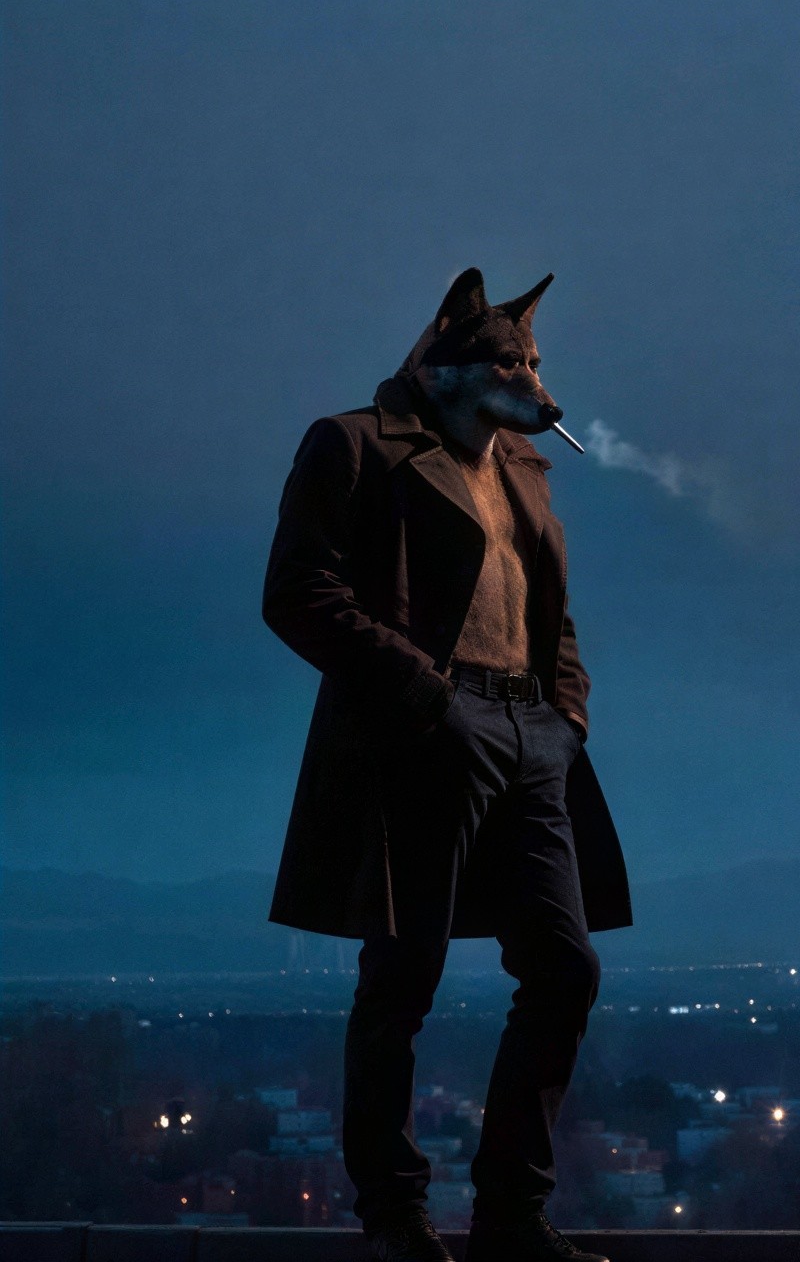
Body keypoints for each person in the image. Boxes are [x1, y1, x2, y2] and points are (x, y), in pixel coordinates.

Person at [264, 269, 629, 1262]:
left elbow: (547, 602)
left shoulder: (524, 467)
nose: (531, 380)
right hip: (423, 729)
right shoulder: (351, 443)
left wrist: (567, 712)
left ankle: (512, 1215)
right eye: (508, 361)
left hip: (531, 733)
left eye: (533, 361)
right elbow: (299, 592)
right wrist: (427, 696)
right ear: (447, 355)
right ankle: (393, 1211)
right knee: (403, 972)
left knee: (564, 964)